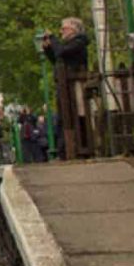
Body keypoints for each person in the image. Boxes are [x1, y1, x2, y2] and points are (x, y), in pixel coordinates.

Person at [41, 17, 89, 159]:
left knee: (75, 117)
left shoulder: (79, 42)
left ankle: (77, 148)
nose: (61, 31)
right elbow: (56, 59)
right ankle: (64, 151)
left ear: (73, 29)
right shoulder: (68, 45)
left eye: (64, 28)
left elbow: (61, 52)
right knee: (63, 118)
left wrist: (53, 38)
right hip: (64, 86)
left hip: (74, 86)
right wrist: (48, 48)